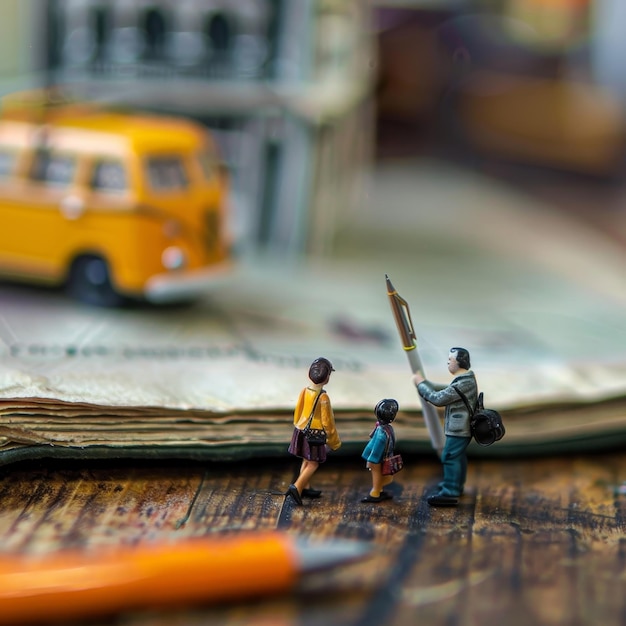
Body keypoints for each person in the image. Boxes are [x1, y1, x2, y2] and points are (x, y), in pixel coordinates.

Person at [413, 347, 477, 507]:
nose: (448, 363)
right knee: (458, 456)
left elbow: (438, 399)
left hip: (459, 428)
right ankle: (456, 485)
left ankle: (450, 491)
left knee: (449, 456)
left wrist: (421, 385)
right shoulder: (465, 379)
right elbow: (445, 389)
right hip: (461, 425)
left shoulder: (463, 383)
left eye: (450, 360)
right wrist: (427, 383)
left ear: (460, 362)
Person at [287, 357, 341, 505]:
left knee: (306, 458)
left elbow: (298, 411)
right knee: (313, 463)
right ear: (327, 378)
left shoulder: (304, 391)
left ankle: (305, 486)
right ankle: (297, 487)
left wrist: (298, 425)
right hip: (314, 433)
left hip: (301, 429)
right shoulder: (323, 397)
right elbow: (327, 422)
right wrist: (333, 440)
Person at [361, 398, 399, 503]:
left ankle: (379, 490)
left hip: (381, 457)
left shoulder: (385, 428)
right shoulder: (383, 432)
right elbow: (377, 448)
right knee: (378, 475)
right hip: (376, 459)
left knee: (384, 476)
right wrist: (372, 460)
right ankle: (375, 493)